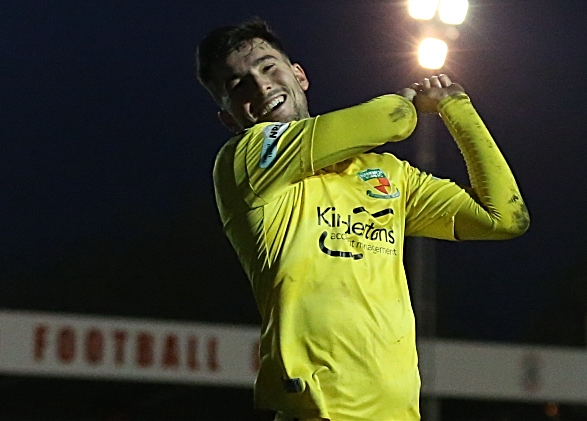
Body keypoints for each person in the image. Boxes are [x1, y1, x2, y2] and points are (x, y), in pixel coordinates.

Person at [197, 18, 529, 421]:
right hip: (317, 413)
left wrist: (457, 109)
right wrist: (408, 103)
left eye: (269, 67)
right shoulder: (245, 162)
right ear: (230, 119)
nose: (260, 85)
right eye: (238, 85)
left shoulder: (386, 174)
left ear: (299, 75)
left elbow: (503, 218)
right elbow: (392, 119)